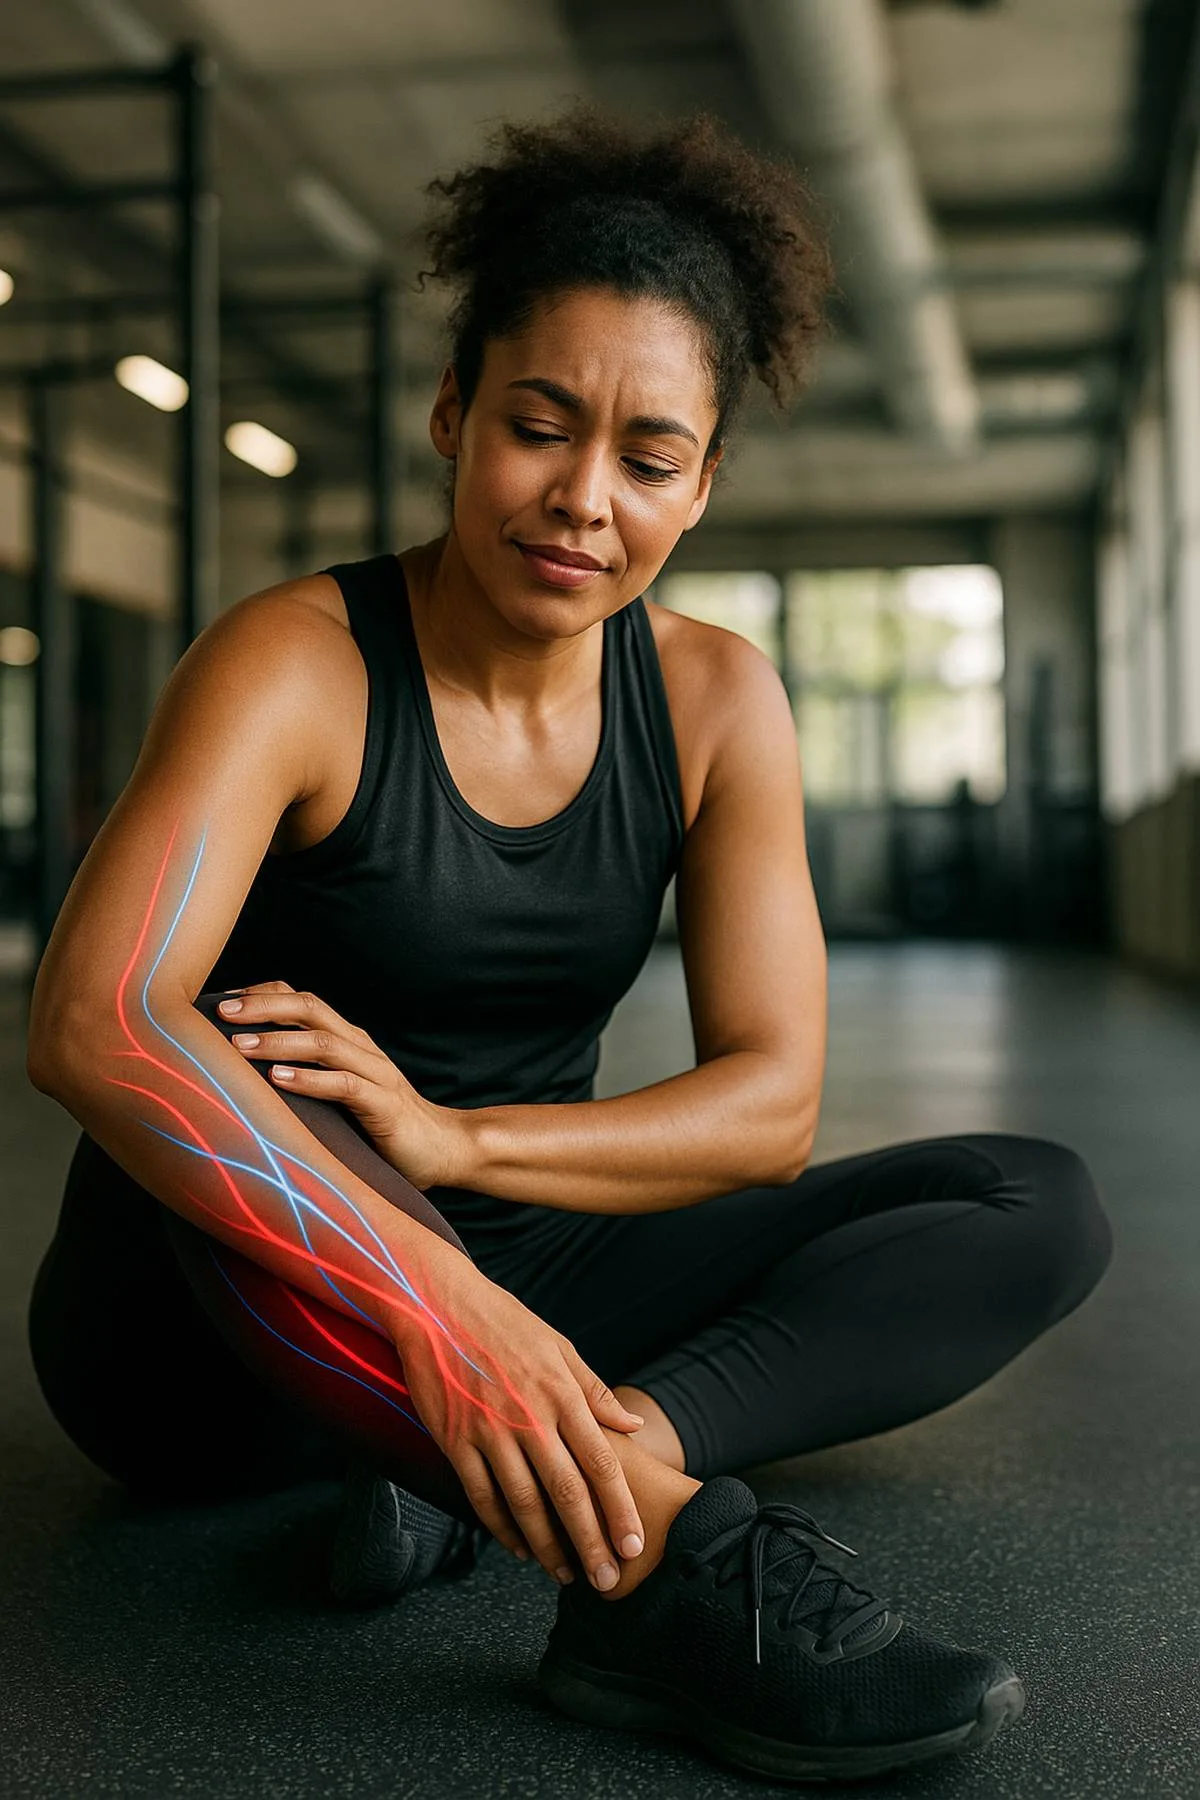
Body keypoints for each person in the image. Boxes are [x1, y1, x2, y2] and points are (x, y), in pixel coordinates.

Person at [25, 106, 1112, 1786]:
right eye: (537, 426)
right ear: (453, 413)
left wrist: (458, 1147)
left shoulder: (716, 700)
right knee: (219, 1041)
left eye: (649, 460)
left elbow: (771, 1105)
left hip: (519, 1267)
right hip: (221, 1328)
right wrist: (440, 1295)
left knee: (1032, 1202)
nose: (583, 499)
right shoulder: (295, 663)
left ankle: (541, 1458)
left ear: (704, 483)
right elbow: (93, 1022)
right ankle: (656, 1559)